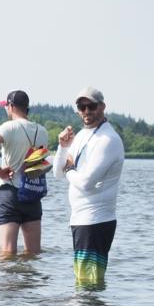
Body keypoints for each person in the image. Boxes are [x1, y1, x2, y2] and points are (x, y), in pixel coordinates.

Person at [53, 87, 125, 285]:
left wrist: (69, 169)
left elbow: (85, 183)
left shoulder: (108, 140)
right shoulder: (82, 135)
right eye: (81, 107)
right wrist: (62, 147)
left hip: (96, 221)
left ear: (102, 107)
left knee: (88, 286)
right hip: (80, 220)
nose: (86, 111)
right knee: (83, 283)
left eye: (91, 106)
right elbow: (57, 173)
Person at [0, 90, 48, 255]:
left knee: (7, 253)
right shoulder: (42, 131)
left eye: (6, 106)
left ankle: (10, 274)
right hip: (32, 193)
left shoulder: (8, 127)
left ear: (11, 106)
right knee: (33, 253)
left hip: (10, 193)